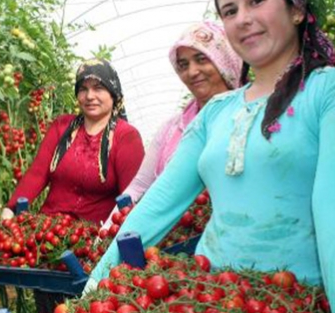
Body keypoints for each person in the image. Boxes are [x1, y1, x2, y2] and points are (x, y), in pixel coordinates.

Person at [87, 0, 335, 313]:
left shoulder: (333, 92)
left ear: (296, 9)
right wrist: (99, 277)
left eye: (257, 1)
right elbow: (159, 201)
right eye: (229, 10)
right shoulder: (216, 112)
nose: (242, 18)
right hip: (212, 310)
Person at [100, 21, 242, 230]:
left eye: (202, 59)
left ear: (224, 60)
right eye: (183, 65)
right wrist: (107, 233)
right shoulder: (172, 129)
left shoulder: (250, 115)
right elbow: (139, 186)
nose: (192, 72)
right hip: (175, 245)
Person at [2, 58, 145, 225]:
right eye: (83, 89)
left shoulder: (126, 137)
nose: (89, 96)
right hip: (48, 230)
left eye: (98, 88)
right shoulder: (62, 127)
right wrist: (10, 209)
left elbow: (131, 197)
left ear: (113, 93)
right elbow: (37, 174)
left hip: (93, 238)